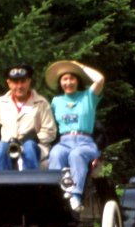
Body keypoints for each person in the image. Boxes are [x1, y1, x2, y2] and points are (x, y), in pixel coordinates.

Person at [44, 60, 105, 211]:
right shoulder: (56, 101)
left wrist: (80, 66)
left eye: (72, 78)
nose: (68, 82)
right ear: (60, 82)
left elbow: (100, 79)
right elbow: (46, 121)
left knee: (76, 155)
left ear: (78, 81)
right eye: (65, 79)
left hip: (85, 142)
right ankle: (54, 195)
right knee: (55, 153)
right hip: (64, 141)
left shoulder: (88, 97)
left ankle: (76, 196)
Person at [0, 63, 57, 171]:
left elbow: (50, 130)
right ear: (9, 83)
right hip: (7, 147)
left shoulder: (42, 103)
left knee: (29, 146)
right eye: (15, 82)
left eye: (23, 81)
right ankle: (1, 185)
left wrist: (35, 137)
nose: (19, 86)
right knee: (1, 147)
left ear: (29, 81)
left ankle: (31, 184)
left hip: (34, 148)